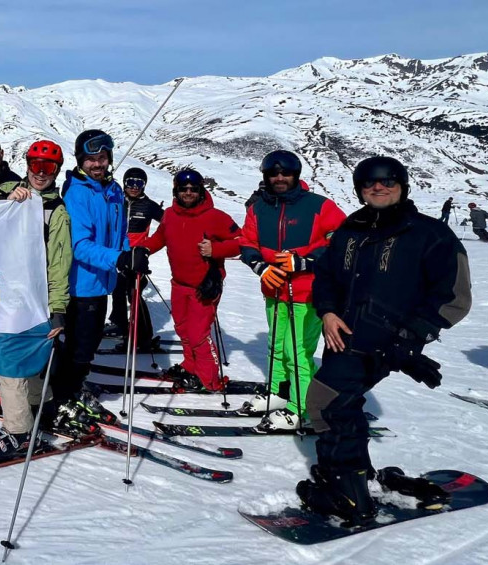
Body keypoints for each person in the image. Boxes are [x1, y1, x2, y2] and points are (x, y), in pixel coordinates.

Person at [296, 156, 471, 525]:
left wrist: (410, 338)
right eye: (369, 182)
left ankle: (348, 497)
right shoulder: (350, 229)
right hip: (342, 337)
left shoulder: (429, 234)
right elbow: (326, 276)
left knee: (329, 406)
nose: (379, 187)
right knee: (337, 405)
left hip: (387, 341)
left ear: (402, 185)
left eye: (388, 181)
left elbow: (454, 296)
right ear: (360, 189)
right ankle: (349, 476)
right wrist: (327, 311)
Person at [0, 140, 72, 463]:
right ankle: (40, 403)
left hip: (34, 297)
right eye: (36, 165)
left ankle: (18, 430)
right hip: (5, 291)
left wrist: (58, 308)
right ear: (27, 164)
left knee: (11, 360)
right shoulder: (7, 192)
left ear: (56, 171)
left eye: (49, 168)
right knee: (23, 358)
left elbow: (59, 263)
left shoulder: (57, 212)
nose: (40, 173)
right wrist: (7, 204)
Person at [239, 150, 345, 430]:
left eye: (285, 173)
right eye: (274, 174)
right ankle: (278, 392)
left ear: (296, 175)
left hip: (308, 292)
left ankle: (302, 408)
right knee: (276, 345)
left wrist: (306, 261)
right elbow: (247, 242)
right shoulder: (258, 208)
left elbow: (343, 241)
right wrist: (261, 267)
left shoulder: (318, 206)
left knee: (296, 351)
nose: (280, 178)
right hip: (273, 289)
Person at [54, 129, 147, 425]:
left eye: (102, 157)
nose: (98, 163)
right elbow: (80, 246)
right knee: (80, 344)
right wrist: (117, 258)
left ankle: (75, 384)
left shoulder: (113, 190)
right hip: (81, 285)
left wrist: (130, 256)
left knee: (90, 341)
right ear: (81, 160)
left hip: (102, 280)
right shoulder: (78, 193)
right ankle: (65, 395)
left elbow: (118, 234)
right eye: (91, 158)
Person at [141, 168, 241, 391]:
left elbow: (241, 242)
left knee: (198, 334)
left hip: (205, 285)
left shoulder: (216, 217)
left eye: (193, 189)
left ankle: (209, 380)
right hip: (179, 284)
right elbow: (160, 238)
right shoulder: (169, 214)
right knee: (183, 328)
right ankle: (190, 366)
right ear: (176, 190)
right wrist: (139, 251)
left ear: (201, 191)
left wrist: (216, 249)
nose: (188, 193)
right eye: (183, 189)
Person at [104, 167, 164, 349]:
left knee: (134, 293)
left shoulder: (148, 205)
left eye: (139, 183)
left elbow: (169, 224)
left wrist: (148, 247)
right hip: (117, 254)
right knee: (117, 289)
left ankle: (142, 336)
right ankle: (120, 324)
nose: (134, 187)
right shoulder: (117, 200)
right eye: (130, 182)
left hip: (136, 256)